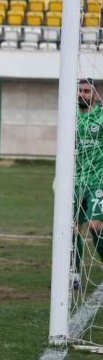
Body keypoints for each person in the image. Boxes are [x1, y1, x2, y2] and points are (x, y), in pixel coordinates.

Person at [72, 78, 103, 290]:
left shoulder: (101, 116)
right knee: (71, 227)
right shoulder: (70, 116)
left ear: (94, 94)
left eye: (86, 91)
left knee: (94, 225)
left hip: (97, 179)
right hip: (74, 181)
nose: (82, 94)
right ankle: (74, 274)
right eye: (79, 90)